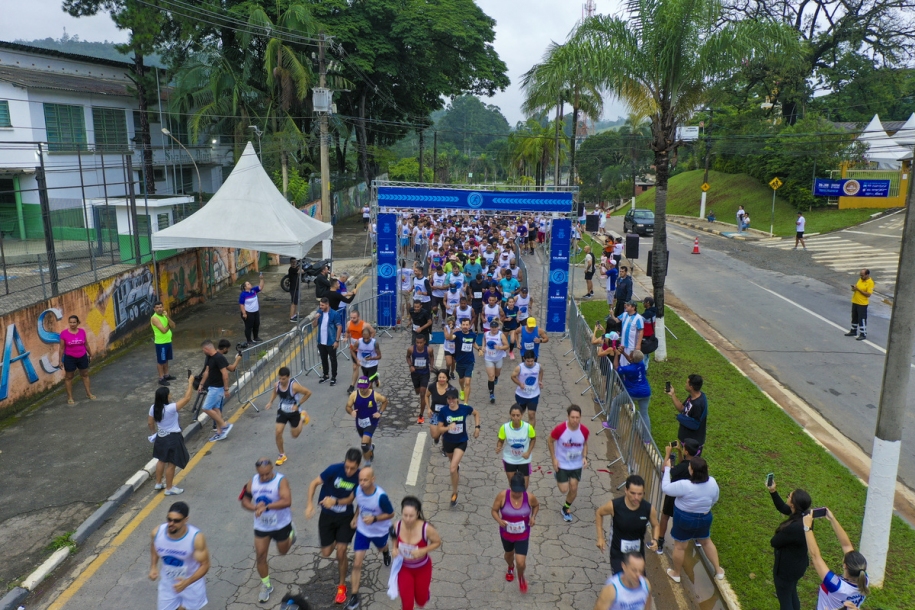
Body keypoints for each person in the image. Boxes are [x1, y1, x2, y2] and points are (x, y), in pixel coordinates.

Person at [305, 448, 362, 605]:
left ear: (358, 466)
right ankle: (339, 542)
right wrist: (309, 504)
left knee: (341, 551)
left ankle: (342, 586)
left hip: (346, 517)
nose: (349, 471)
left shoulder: (361, 476)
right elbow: (314, 483)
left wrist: (356, 517)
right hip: (327, 516)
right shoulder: (333, 469)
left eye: (353, 468)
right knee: (326, 552)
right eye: (347, 467)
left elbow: (362, 499)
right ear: (344, 463)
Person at [661, 455, 724, 583]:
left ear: (692, 471)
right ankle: (718, 571)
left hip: (684, 518)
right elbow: (715, 499)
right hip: (705, 517)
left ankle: (676, 573)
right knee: (706, 542)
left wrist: (667, 469)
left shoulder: (685, 485)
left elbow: (666, 488)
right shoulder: (712, 482)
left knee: (680, 546)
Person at [240, 457, 295, 603]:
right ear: (257, 472)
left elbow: (287, 501)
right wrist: (255, 508)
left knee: (283, 551)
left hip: (281, 524)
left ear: (272, 469)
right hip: (262, 526)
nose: (264, 477)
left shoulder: (280, 481)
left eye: (267, 474)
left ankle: (291, 534)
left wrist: (267, 507)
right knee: (260, 556)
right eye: (261, 474)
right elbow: (245, 501)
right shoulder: (253, 481)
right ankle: (266, 585)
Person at [803, 508, 868, 610]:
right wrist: (832, 519)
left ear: (845, 565)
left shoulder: (837, 586)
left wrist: (807, 527)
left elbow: (815, 556)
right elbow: (847, 546)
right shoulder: (863, 578)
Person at [347, 467, 394, 610]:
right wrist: (355, 517)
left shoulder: (381, 496)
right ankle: (354, 596)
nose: (361, 483)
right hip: (362, 530)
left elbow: (391, 514)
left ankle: (386, 551)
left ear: (373, 480)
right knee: (357, 563)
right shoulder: (358, 490)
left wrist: (374, 518)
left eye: (365, 480)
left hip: (379, 531)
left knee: (381, 547)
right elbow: (360, 505)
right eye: (360, 480)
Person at [149, 501, 210, 610]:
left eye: (176, 521)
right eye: (169, 519)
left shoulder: (196, 538)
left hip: (191, 584)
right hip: (168, 584)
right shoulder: (157, 533)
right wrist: (153, 566)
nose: (171, 524)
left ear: (185, 520)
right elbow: (155, 546)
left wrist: (187, 582)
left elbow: (205, 565)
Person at [595, 475, 660, 575]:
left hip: (637, 554)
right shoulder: (615, 505)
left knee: (639, 586)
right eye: (633, 493)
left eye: (640, 494)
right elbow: (599, 513)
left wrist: (655, 540)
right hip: (618, 553)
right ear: (626, 490)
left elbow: (655, 525)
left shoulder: (648, 509)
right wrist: (600, 538)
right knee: (622, 585)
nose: (636, 497)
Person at [767, 477, 811, 610]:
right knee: (792, 593)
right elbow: (783, 508)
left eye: (789, 496)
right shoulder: (806, 516)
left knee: (785, 600)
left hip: (786, 570)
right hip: (798, 565)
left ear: (793, 504)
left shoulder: (793, 528)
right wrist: (773, 492)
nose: (787, 497)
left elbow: (774, 542)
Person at [492, 471, 540, 593]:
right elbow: (494, 511)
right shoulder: (502, 496)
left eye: (520, 491)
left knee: (521, 562)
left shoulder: (529, 497)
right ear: (510, 487)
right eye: (515, 491)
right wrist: (499, 520)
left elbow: (536, 505)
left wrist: (533, 517)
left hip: (522, 535)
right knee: (508, 555)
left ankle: (521, 577)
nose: (518, 494)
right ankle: (510, 566)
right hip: (506, 534)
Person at [149, 374, 195, 495]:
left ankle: (158, 483)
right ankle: (169, 488)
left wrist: (154, 433)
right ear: (165, 397)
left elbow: (150, 423)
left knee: (161, 460)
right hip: (173, 438)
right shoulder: (170, 408)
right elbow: (187, 398)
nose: (171, 395)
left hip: (161, 437)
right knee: (172, 463)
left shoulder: (153, 408)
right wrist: (190, 382)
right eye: (169, 393)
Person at [393, 496, 442, 610]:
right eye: (405, 515)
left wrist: (423, 550)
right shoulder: (397, 526)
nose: (408, 519)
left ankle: (424, 594)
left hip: (422, 569)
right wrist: (394, 549)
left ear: (418, 514)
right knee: (407, 604)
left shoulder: (426, 528)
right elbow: (394, 538)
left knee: (421, 601)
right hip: (404, 568)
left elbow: (437, 542)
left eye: (411, 516)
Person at [435, 387, 480, 507]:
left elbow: (476, 413)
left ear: (457, 399)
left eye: (453, 398)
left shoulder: (464, 409)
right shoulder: (444, 411)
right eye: (449, 398)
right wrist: (448, 428)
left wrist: (477, 428)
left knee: (452, 468)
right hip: (448, 442)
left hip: (461, 441)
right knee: (453, 465)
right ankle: (456, 467)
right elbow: (439, 428)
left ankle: (454, 494)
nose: (451, 400)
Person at [656, 439, 700, 554]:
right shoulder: (696, 464)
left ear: (687, 452)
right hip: (687, 496)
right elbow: (683, 463)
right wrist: (680, 453)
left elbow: (664, 470)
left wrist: (667, 454)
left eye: (683, 448)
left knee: (665, 516)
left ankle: (660, 542)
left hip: (674, 494)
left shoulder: (681, 468)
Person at [548, 405, 590, 522]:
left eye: (577, 417)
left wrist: (585, 457)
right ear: (568, 417)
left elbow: (585, 443)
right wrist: (554, 459)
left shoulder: (584, 430)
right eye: (572, 417)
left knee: (574, 487)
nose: (575, 420)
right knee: (563, 489)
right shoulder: (560, 429)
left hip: (576, 465)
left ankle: (566, 508)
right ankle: (558, 476)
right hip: (562, 464)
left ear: (580, 417)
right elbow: (550, 441)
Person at [264, 366, 312, 466]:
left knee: (294, 435)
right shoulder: (277, 385)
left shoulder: (294, 386)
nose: (281, 381)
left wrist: (298, 405)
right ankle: (282, 454)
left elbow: (308, 393)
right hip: (282, 411)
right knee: (278, 432)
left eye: (283, 379)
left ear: (288, 377)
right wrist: (270, 402)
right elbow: (275, 393)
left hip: (294, 413)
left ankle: (302, 418)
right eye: (280, 378)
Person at [345, 377, 388, 466]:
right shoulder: (354, 395)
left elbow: (385, 401)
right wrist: (351, 412)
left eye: (364, 387)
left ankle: (367, 464)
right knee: (366, 441)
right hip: (360, 423)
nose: (362, 389)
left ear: (369, 385)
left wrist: (380, 412)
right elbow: (348, 407)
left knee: (364, 444)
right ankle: (371, 448)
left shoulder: (374, 395)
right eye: (360, 387)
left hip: (372, 422)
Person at [198, 340, 232, 442]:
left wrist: (226, 389)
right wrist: (201, 384)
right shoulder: (209, 357)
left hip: (217, 388)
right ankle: (220, 433)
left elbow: (225, 374)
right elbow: (207, 372)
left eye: (203, 350)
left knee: (206, 408)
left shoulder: (219, 358)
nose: (203, 352)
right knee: (216, 410)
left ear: (206, 349)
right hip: (212, 387)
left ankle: (224, 425)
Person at [496, 404, 537, 489]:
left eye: (518, 415)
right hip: (510, 459)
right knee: (513, 486)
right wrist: (499, 446)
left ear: (522, 415)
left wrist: (528, 452)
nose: (515, 418)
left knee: (524, 487)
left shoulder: (528, 427)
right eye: (513, 415)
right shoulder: (504, 427)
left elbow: (533, 439)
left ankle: (523, 502)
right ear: (510, 415)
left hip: (523, 460)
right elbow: (501, 440)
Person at [612, 348, 651, 432]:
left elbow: (616, 367)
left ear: (633, 358)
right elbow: (631, 359)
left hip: (634, 392)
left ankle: (612, 424)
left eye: (631, 353)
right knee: (644, 414)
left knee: (616, 402)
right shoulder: (641, 363)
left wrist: (616, 354)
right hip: (646, 392)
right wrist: (623, 353)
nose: (630, 353)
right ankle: (647, 439)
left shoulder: (629, 369)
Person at [666, 374, 708, 454]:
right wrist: (673, 395)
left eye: (687, 383)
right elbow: (682, 408)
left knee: (690, 464)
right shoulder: (692, 397)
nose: (685, 384)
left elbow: (695, 424)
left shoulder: (698, 404)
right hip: (686, 439)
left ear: (691, 387)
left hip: (692, 444)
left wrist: (681, 418)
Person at [59, 315, 95, 404]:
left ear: (77, 323)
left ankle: (88, 393)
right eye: (70, 322)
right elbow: (62, 348)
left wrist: (90, 354)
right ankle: (70, 397)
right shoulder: (64, 334)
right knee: (69, 377)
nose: (72, 324)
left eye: (74, 322)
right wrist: (60, 360)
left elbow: (86, 344)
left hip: (82, 356)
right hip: (70, 358)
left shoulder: (82, 332)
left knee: (85, 374)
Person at [444, 318, 477, 403]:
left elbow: (473, 343)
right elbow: (451, 338)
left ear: (470, 326)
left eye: (467, 325)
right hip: (459, 361)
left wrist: (479, 349)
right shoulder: (457, 334)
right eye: (463, 325)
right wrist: (451, 330)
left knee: (468, 382)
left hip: (470, 361)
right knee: (461, 379)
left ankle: (466, 403)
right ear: (461, 325)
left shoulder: (472, 335)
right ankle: (462, 389)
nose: (465, 326)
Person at [511, 351, 543, 429]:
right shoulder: (520, 367)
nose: (530, 363)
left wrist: (540, 381)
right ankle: (515, 429)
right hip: (521, 395)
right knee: (518, 414)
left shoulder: (538, 366)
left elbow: (541, 371)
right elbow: (513, 376)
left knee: (531, 414)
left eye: (532, 361)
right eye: (528, 361)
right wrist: (519, 384)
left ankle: (530, 433)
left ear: (534, 359)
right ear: (524, 359)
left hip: (533, 395)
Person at [346, 309, 375, 393]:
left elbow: (373, 332)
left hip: (363, 351)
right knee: (355, 367)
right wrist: (346, 337)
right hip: (354, 349)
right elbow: (348, 332)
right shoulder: (349, 323)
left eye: (354, 318)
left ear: (358, 317)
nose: (352, 319)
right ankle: (352, 386)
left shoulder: (365, 325)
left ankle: (369, 387)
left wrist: (369, 343)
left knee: (366, 368)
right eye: (351, 317)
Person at [480, 320, 508, 404]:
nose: (494, 329)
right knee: (491, 376)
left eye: (495, 327)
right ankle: (491, 394)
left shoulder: (501, 335)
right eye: (492, 327)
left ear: (498, 327)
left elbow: (507, 345)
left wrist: (499, 347)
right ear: (490, 328)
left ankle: (496, 378)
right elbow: (484, 340)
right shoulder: (486, 334)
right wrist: (483, 347)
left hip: (498, 357)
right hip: (488, 358)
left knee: (497, 374)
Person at [407, 335, 434, 424]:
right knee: (418, 391)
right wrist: (410, 365)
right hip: (415, 374)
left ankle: (421, 415)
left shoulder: (429, 350)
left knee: (423, 393)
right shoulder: (411, 349)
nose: (419, 344)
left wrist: (431, 366)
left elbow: (431, 356)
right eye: (417, 343)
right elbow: (407, 357)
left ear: (424, 342)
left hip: (425, 374)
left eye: (421, 343)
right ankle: (419, 392)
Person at [607, 300, 643, 366]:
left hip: (631, 346)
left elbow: (641, 331)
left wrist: (638, 345)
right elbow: (617, 320)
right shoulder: (624, 314)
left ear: (633, 307)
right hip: (623, 345)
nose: (626, 306)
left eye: (628, 305)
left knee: (629, 361)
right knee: (622, 362)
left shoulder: (638, 318)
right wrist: (612, 314)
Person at [315, 297, 342, 386]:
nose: (321, 307)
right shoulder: (319, 313)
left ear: (327, 305)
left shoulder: (334, 314)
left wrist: (337, 340)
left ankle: (333, 377)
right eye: (320, 305)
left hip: (330, 341)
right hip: (321, 341)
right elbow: (314, 325)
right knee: (323, 359)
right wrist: (315, 318)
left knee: (333, 359)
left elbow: (339, 327)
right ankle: (325, 375)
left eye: (322, 305)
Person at [151, 301, 176, 386]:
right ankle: (161, 378)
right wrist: (170, 324)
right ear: (154, 309)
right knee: (161, 361)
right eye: (157, 307)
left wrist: (167, 317)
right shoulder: (154, 318)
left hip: (168, 341)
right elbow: (164, 330)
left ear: (163, 307)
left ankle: (166, 375)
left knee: (166, 360)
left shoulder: (164, 316)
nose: (159, 309)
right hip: (161, 343)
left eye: (160, 307)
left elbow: (174, 326)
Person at [845, 268, 873, 341]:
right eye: (860, 275)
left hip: (862, 303)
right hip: (855, 301)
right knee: (854, 317)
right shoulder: (860, 280)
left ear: (867, 275)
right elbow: (856, 288)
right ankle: (853, 331)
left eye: (862, 275)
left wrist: (859, 290)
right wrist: (854, 289)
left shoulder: (870, 282)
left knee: (862, 319)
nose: (861, 277)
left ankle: (863, 333)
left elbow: (868, 294)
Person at [427, 370, 453, 449]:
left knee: (445, 433)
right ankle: (437, 437)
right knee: (434, 435)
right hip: (435, 414)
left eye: (444, 377)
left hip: (446, 414)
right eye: (440, 377)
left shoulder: (451, 389)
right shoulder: (432, 386)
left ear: (447, 378)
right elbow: (426, 396)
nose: (441, 379)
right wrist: (428, 408)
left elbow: (455, 402)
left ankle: (444, 447)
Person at [239, 274, 266, 346]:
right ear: (245, 287)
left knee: (256, 324)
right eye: (248, 284)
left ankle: (255, 337)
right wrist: (244, 313)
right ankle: (249, 340)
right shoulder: (243, 294)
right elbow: (241, 304)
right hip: (248, 313)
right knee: (249, 327)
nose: (250, 284)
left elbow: (260, 287)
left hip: (255, 311)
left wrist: (261, 279)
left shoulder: (253, 290)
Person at [287, 258, 301, 322]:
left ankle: (294, 315)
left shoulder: (295, 268)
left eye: (295, 262)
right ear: (290, 263)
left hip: (296, 287)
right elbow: (301, 271)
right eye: (292, 262)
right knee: (293, 303)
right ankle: (291, 317)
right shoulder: (291, 269)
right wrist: (299, 267)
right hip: (293, 288)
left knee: (295, 302)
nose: (294, 263)